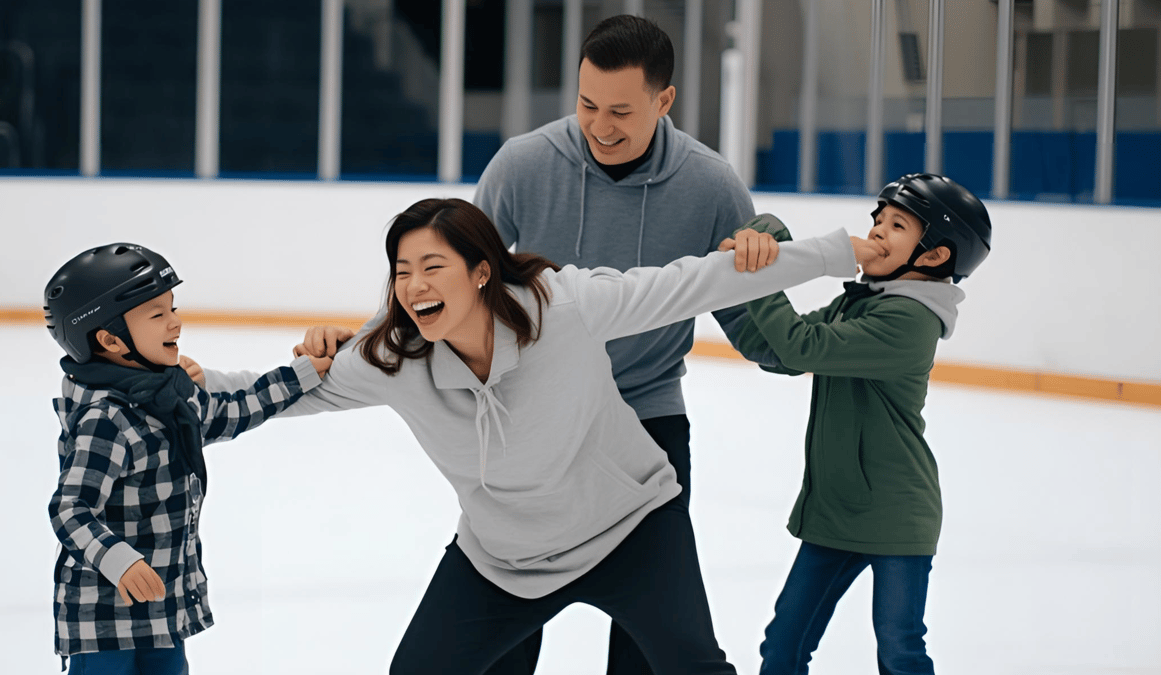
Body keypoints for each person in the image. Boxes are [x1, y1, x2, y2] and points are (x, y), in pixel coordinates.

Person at [248, 197, 877, 674]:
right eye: (401, 270)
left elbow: (690, 283)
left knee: (693, 667)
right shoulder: (393, 357)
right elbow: (284, 393)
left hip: (631, 529)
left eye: (432, 266)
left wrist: (836, 252)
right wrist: (179, 388)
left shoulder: (564, 306)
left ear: (481, 272)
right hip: (503, 561)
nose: (413, 285)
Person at [473, 15, 759, 671]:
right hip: (534, 429)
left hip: (648, 430)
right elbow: (461, 286)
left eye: (621, 110)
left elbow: (759, 333)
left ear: (665, 100)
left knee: (655, 641)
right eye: (586, 103)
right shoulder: (524, 164)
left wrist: (782, 280)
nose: (599, 125)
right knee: (501, 629)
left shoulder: (712, 188)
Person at [727, 174, 993, 675]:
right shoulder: (862, 300)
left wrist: (769, 260)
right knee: (783, 646)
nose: (876, 231)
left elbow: (800, 345)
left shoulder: (909, 322)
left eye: (896, 225)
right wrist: (742, 267)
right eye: (877, 219)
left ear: (934, 256)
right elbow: (776, 354)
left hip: (895, 514)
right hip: (836, 510)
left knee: (900, 652)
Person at [44, 243, 329, 674]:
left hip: (161, 608)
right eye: (157, 314)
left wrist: (304, 372)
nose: (176, 322)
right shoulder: (106, 420)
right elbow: (71, 510)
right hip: (103, 616)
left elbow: (232, 411)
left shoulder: (168, 397)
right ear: (109, 339)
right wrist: (120, 560)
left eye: (172, 308)